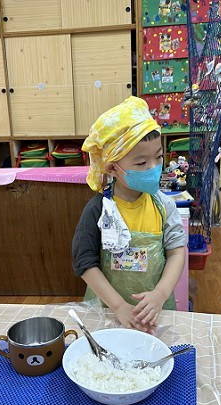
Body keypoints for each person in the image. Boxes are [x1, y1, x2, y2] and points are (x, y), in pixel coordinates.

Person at [72, 96, 187, 334]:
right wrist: (118, 306)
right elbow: (84, 262)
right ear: (112, 168)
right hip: (107, 312)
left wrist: (160, 294)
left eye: (159, 157)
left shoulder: (164, 207)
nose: (154, 167)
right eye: (142, 162)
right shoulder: (98, 210)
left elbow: (176, 252)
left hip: (153, 313)